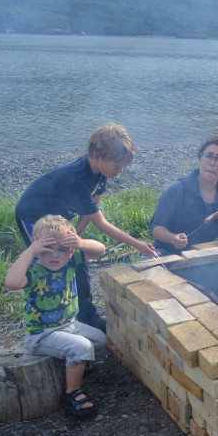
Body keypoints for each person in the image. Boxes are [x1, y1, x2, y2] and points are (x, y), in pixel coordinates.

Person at [15, 122, 155, 333]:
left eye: (123, 166)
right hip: (33, 216)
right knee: (48, 263)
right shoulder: (78, 179)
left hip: (61, 218)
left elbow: (92, 208)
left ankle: (86, 316)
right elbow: (101, 223)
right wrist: (138, 245)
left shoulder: (101, 173)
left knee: (76, 260)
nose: (121, 171)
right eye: (117, 166)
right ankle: (48, 319)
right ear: (97, 157)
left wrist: (74, 237)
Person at [4, 215, 107, 416]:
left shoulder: (71, 262)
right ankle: (72, 392)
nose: (55, 255)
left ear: (71, 252)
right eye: (48, 249)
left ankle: (76, 364)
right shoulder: (34, 272)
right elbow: (12, 283)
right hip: (42, 335)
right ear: (37, 249)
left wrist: (80, 242)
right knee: (82, 347)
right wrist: (29, 252)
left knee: (101, 340)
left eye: (62, 250)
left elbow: (100, 250)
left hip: (68, 325)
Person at [149, 136, 218, 256]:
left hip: (206, 254)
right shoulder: (178, 189)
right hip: (168, 252)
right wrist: (173, 238)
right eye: (208, 156)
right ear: (200, 159)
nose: (212, 163)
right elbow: (155, 227)